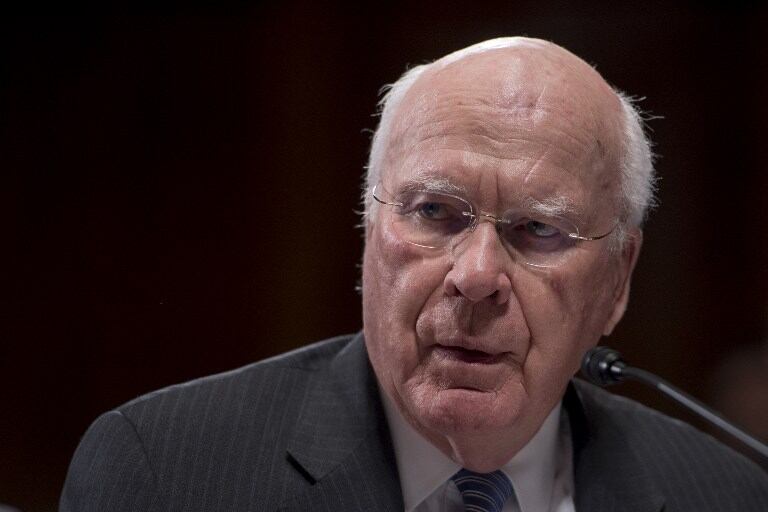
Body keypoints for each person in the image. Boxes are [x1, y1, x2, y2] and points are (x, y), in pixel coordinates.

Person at [61, 37, 768, 511]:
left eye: (537, 229)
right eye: (435, 212)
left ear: (616, 282)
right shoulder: (163, 472)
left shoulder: (725, 496)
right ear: (370, 231)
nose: (477, 276)